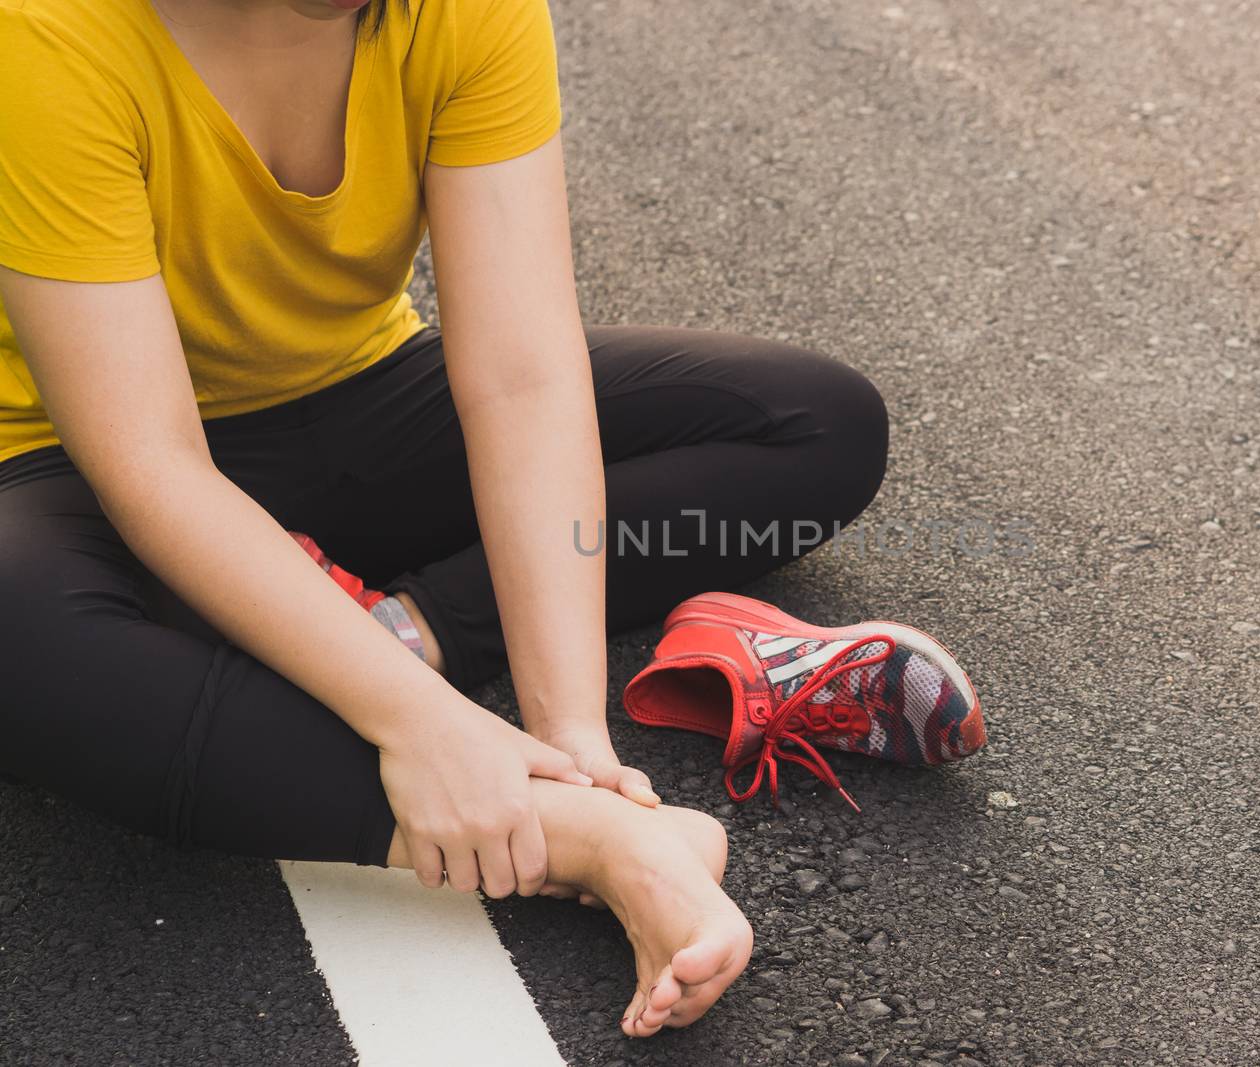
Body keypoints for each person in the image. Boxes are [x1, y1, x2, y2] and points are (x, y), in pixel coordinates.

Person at [0, 0, 889, 1037]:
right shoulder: (44, 34)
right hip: (73, 459)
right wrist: (439, 737)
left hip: (354, 400)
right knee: (18, 630)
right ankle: (573, 838)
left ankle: (398, 632)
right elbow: (151, 465)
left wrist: (570, 730)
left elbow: (520, 377)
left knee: (814, 424)